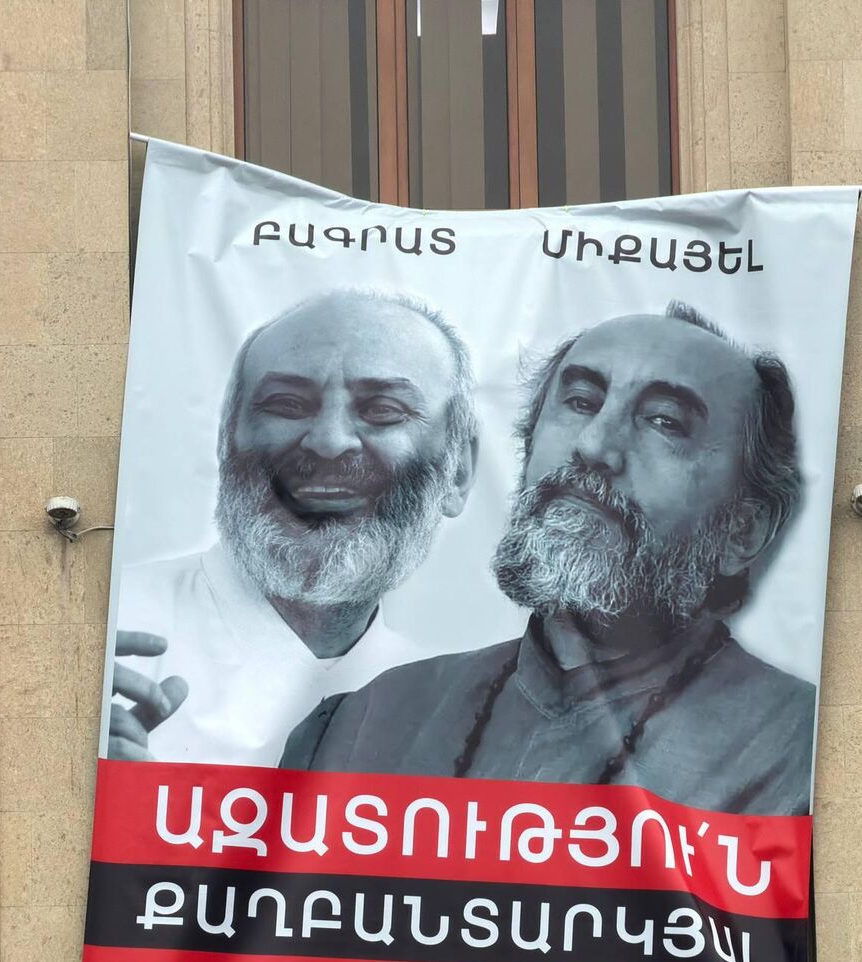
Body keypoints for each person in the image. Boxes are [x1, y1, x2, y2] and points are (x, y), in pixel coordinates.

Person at [283, 301, 816, 816]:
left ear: (742, 531)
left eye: (664, 422)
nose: (594, 445)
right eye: (581, 401)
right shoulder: (361, 727)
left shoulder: (806, 756)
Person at [107, 290, 478, 765]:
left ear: (459, 471)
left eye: (384, 410)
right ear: (226, 442)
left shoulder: (459, 716)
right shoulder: (107, 634)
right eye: (287, 404)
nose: (329, 442)